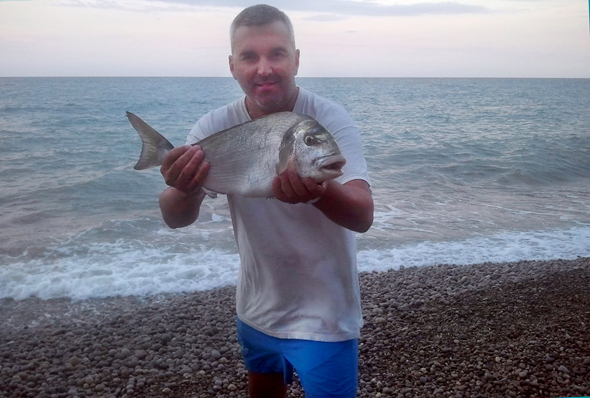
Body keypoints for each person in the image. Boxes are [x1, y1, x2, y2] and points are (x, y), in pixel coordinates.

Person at [158, 4, 374, 397]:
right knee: (263, 386)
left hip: (325, 316)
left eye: (276, 53)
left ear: (296, 59)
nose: (264, 68)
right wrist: (183, 187)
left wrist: (321, 193)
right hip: (255, 306)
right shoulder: (213, 127)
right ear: (231, 65)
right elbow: (175, 217)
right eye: (249, 56)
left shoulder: (328, 118)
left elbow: (362, 215)